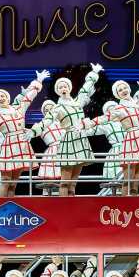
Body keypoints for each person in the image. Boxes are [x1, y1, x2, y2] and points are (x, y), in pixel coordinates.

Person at [83, 59, 139, 195]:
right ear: (117, 94)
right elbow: (105, 118)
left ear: (129, 89)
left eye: (124, 88)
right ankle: (123, 200)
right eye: (120, 90)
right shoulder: (119, 108)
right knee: (129, 173)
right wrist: (87, 123)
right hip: (131, 138)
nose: (123, 90)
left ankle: (133, 198)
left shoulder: (138, 103)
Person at [52, 64, 102, 196]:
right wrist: (34, 131)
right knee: (65, 181)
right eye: (60, 87)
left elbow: (85, 89)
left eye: (65, 86)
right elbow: (46, 121)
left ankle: (71, 204)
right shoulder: (57, 108)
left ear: (69, 88)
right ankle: (63, 205)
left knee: (73, 182)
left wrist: (94, 73)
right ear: (57, 90)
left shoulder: (77, 103)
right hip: (68, 140)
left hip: (80, 139)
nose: (63, 88)